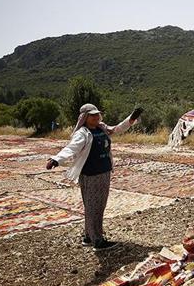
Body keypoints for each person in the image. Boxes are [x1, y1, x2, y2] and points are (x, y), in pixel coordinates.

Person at [46, 103, 142, 251]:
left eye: (97, 114)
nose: (96, 117)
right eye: (92, 115)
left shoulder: (101, 128)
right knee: (94, 206)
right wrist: (56, 159)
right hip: (91, 174)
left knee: (95, 206)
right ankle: (97, 240)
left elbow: (117, 129)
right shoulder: (82, 133)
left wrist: (131, 118)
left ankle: (89, 236)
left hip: (103, 172)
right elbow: (71, 148)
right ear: (84, 117)